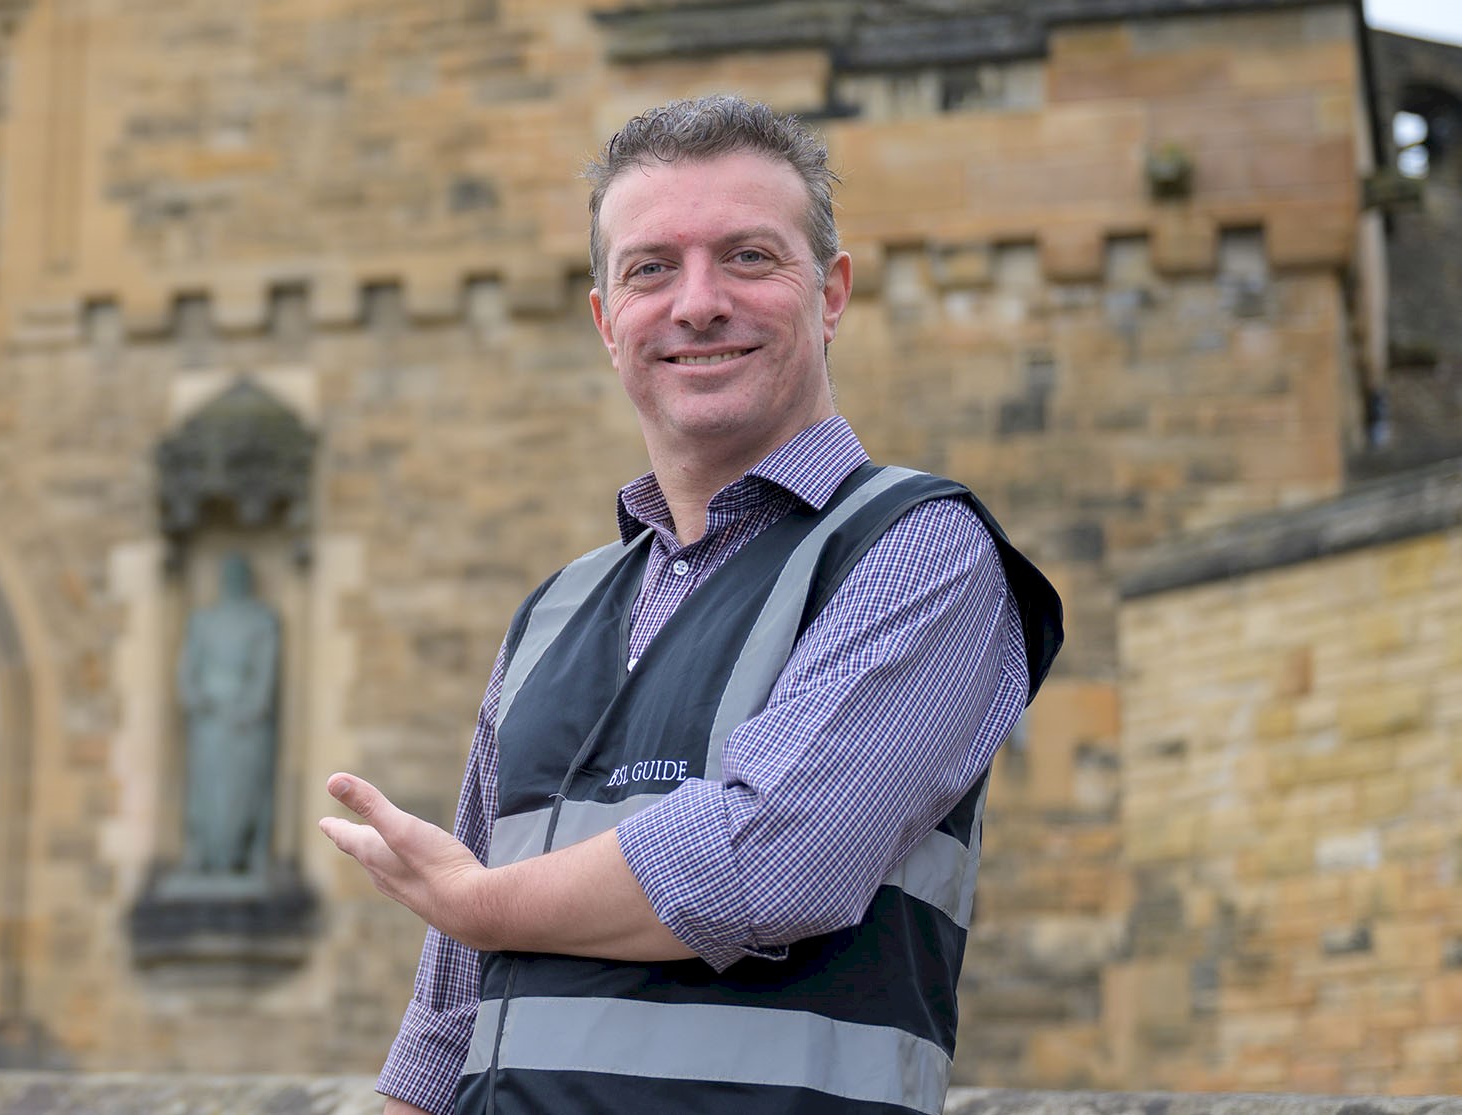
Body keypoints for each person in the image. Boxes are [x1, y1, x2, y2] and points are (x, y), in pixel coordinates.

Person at [318, 96, 1063, 1115]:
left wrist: (480, 901)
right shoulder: (555, 611)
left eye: (749, 258)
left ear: (831, 293)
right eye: (650, 268)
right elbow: (452, 1008)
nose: (697, 302)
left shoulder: (916, 548)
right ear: (602, 319)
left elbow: (775, 859)